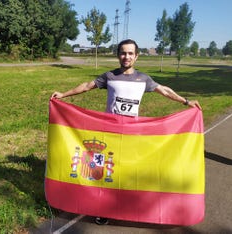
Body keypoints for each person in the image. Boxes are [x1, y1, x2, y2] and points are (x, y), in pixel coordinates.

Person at [51, 39, 201, 225]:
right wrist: (63, 95)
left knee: (128, 171)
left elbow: (165, 91)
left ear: (136, 56)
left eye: (130, 53)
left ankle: (128, 205)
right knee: (104, 173)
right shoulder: (109, 76)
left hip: (132, 134)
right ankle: (102, 208)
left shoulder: (144, 79)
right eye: (123, 53)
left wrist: (186, 102)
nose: (126, 56)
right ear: (118, 55)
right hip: (109, 133)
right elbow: (87, 86)